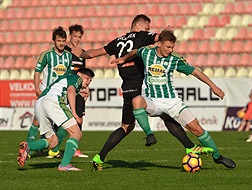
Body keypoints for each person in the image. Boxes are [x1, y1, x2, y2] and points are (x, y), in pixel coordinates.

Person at [72, 14, 214, 171]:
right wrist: (166, 31)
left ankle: (100, 157)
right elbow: (162, 38)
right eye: (147, 28)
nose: (149, 31)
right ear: (138, 26)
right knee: (166, 115)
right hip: (141, 87)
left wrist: (81, 53)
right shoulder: (143, 36)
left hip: (127, 87)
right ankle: (187, 146)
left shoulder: (118, 41)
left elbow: (92, 54)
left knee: (126, 126)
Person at [111, 30, 236, 168]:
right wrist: (124, 58)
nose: (171, 50)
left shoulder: (175, 59)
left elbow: (195, 72)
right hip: (154, 101)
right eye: (168, 47)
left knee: (197, 130)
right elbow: (135, 51)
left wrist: (213, 86)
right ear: (158, 44)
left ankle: (218, 157)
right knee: (137, 100)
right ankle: (149, 134)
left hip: (172, 102)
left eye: (172, 47)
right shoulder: (146, 52)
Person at [17, 68, 95, 171]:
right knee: (76, 133)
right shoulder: (76, 78)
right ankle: (65, 165)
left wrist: (78, 94)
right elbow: (71, 90)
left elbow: (68, 90)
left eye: (91, 80)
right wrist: (75, 113)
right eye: (87, 78)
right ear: (80, 74)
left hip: (40, 103)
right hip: (52, 101)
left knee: (52, 142)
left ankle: (29, 146)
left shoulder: (64, 79)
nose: (89, 82)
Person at [26, 26, 72, 158]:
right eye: (59, 40)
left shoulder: (68, 56)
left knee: (65, 123)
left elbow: (68, 76)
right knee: (37, 121)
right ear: (54, 41)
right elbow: (37, 72)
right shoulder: (46, 55)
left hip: (60, 94)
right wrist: (36, 89)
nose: (62, 43)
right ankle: (28, 149)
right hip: (46, 93)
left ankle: (53, 149)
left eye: (63, 40)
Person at [51, 24, 89, 158]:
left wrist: (86, 88)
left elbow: (84, 73)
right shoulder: (65, 51)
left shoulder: (82, 53)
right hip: (66, 88)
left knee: (79, 118)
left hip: (78, 89)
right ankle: (53, 147)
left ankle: (73, 148)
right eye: (75, 36)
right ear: (70, 36)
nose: (77, 39)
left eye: (79, 37)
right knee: (63, 119)